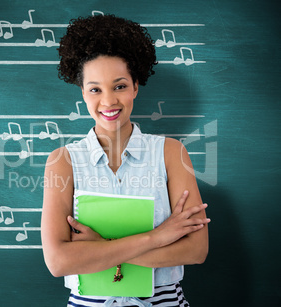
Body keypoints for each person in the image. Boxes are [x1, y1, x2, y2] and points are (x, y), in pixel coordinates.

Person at [41, 14, 210, 307]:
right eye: (95, 89)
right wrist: (157, 238)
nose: (108, 102)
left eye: (119, 86)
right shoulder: (62, 161)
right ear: (82, 92)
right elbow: (58, 262)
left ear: (135, 86)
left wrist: (99, 250)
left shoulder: (171, 153)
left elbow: (196, 250)